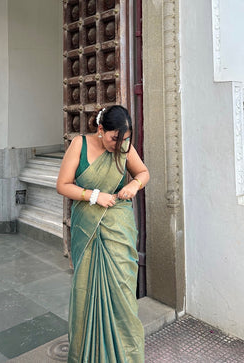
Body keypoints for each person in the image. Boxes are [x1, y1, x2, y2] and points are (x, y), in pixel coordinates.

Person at [56, 105, 150, 362]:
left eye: (124, 139)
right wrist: (95, 196)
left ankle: (126, 355)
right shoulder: (80, 145)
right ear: (100, 129)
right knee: (86, 290)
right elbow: (62, 185)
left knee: (122, 292)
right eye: (113, 138)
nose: (118, 144)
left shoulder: (124, 145)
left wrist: (133, 184)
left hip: (118, 228)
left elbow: (143, 172)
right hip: (87, 226)